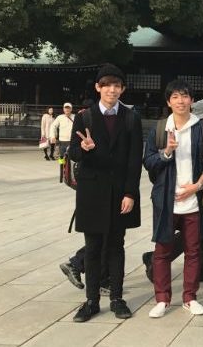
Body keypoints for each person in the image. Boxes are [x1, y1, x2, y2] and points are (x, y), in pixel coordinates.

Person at [69, 64, 142, 323]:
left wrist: (131, 193)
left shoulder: (132, 117)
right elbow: (73, 153)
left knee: (116, 245)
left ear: (122, 89)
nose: (112, 89)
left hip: (120, 191)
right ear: (98, 87)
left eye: (117, 85)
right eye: (107, 84)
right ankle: (91, 301)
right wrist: (85, 148)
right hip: (91, 190)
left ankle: (117, 298)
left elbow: (135, 160)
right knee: (92, 247)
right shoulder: (85, 117)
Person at [143, 80, 203, 318]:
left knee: (193, 251)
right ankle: (162, 298)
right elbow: (148, 162)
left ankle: (190, 297)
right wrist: (166, 152)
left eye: (185, 96)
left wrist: (197, 185)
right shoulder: (160, 128)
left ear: (191, 100)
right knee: (162, 250)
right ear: (168, 102)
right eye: (175, 97)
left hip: (193, 200)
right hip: (166, 199)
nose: (181, 101)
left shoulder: (202, 129)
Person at [141, 97, 203, 284]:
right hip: (177, 193)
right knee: (196, 231)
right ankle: (156, 260)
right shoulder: (193, 133)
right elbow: (153, 162)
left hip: (198, 191)